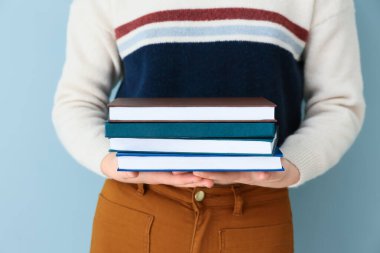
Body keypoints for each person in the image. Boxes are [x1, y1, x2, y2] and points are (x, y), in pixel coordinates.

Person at [52, 0, 365, 252]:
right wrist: (113, 162)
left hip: (255, 211)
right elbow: (77, 101)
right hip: (137, 205)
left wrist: (289, 166)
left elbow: (338, 103)